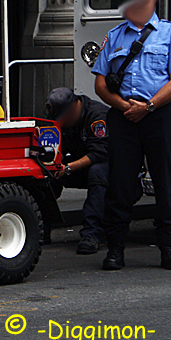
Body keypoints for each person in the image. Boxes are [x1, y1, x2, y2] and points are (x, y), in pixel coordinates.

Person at [92, 0, 171, 271]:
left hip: (159, 117)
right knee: (119, 183)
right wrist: (124, 106)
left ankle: (169, 249)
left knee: (164, 182)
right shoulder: (115, 35)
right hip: (123, 118)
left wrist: (147, 106)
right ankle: (115, 250)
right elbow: (99, 84)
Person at [44, 87, 109, 254]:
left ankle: (91, 234)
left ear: (74, 107)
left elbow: (98, 154)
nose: (62, 123)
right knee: (46, 176)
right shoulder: (61, 119)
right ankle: (41, 230)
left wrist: (67, 168)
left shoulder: (98, 116)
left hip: (109, 168)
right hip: (76, 165)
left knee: (97, 172)